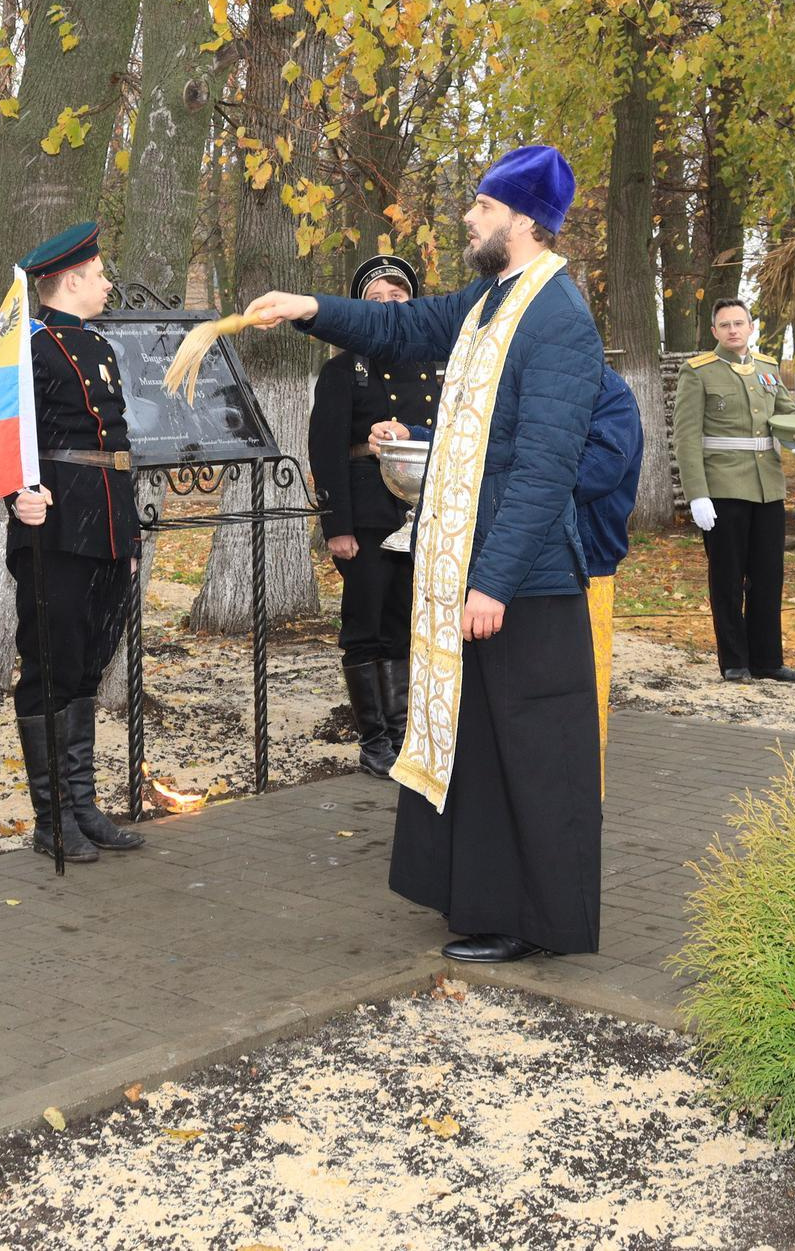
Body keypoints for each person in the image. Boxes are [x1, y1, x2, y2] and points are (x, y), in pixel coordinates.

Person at [246, 143, 605, 965]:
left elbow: (546, 466)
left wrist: (494, 581)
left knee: (527, 750)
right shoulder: (488, 299)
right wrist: (308, 306)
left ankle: (533, 918)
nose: (468, 218)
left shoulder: (557, 317)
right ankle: (479, 900)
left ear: (519, 220)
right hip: (473, 572)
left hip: (522, 583)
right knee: (476, 745)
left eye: (480, 207)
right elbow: (399, 324)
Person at [8, 221, 146, 864]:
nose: (107, 282)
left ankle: (82, 802)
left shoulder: (97, 344)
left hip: (108, 523)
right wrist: (16, 492)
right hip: (56, 527)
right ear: (70, 280)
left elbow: (111, 440)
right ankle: (52, 816)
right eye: (99, 274)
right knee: (51, 661)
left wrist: (128, 531)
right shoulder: (25, 349)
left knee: (88, 661)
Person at [305, 254, 443, 776]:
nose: (388, 306)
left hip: (423, 511)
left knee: (406, 623)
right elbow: (325, 449)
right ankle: (375, 740)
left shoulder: (434, 364)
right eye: (376, 300)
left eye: (397, 296)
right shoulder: (344, 370)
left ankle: (405, 732)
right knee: (366, 625)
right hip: (365, 512)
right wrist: (336, 526)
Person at [674, 299, 795, 682]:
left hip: (767, 488)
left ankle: (768, 660)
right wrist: (697, 493)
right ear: (714, 331)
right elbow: (687, 437)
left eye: (739, 323)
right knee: (727, 578)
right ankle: (735, 661)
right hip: (723, 487)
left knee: (768, 575)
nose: (732, 330)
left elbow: (789, 413)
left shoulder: (767, 368)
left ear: (751, 326)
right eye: (724, 324)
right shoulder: (698, 373)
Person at [575, 363, 644, 782]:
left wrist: (520, 478)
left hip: (587, 562)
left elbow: (597, 472)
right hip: (523, 556)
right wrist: (418, 438)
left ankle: (585, 802)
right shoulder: (527, 376)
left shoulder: (608, 392)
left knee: (583, 694)